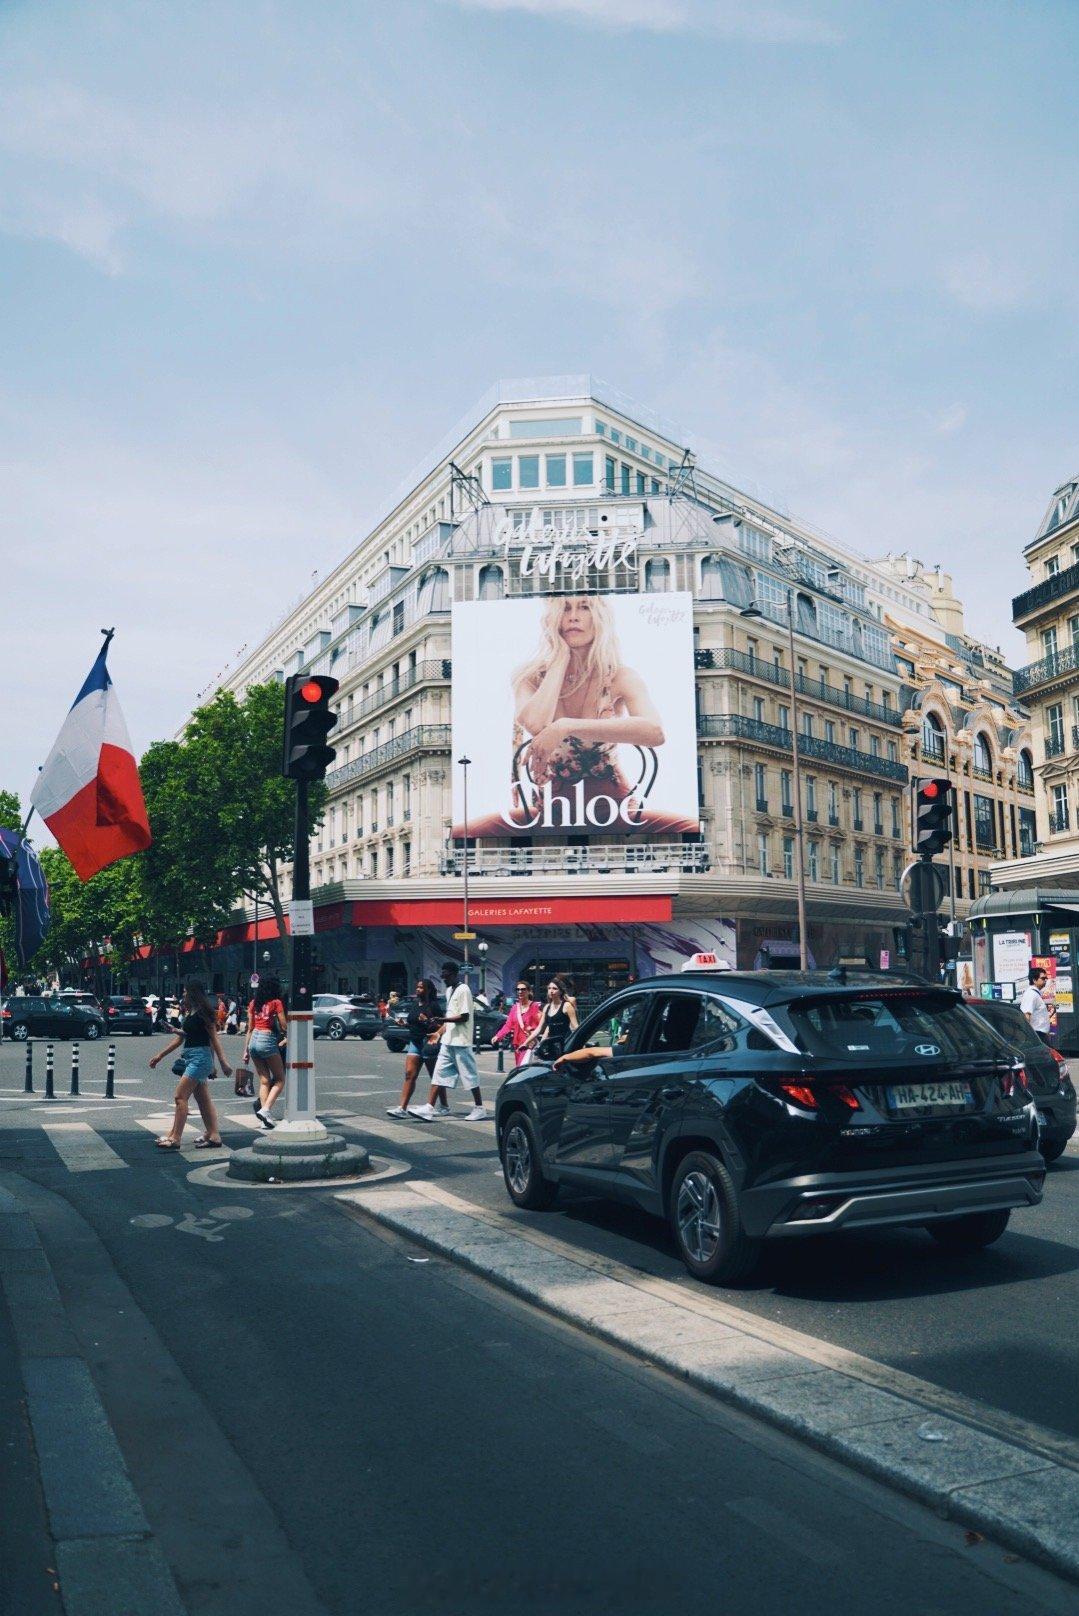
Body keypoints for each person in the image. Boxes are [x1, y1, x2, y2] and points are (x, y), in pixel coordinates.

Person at [464, 594, 696, 837]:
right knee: (467, 832)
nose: (573, 616)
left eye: (584, 607)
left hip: (612, 807)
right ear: (553, 619)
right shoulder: (529, 677)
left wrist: (564, 726)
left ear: (599, 619)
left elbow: (655, 732)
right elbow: (533, 723)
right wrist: (561, 658)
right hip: (549, 810)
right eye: (565, 609)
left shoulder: (619, 676)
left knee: (689, 828)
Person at [149, 979, 231, 1149]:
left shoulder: (203, 1013)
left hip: (199, 1059)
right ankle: (213, 1135)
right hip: (193, 1058)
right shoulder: (191, 1012)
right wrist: (160, 1055)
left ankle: (175, 1138)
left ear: (193, 993)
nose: (183, 994)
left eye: (186, 991)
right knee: (203, 1100)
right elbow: (183, 1037)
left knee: (180, 1097)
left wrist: (221, 1063)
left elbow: (213, 1039)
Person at [408, 961, 487, 1122]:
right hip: (448, 1040)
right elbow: (450, 1017)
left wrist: (442, 1019)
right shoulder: (450, 990)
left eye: (446, 975)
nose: (444, 978)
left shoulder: (463, 990)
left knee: (469, 1076)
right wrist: (439, 1032)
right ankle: (429, 1108)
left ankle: (480, 1107)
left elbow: (464, 1016)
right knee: (439, 1074)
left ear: (454, 974)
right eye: (442, 975)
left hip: (461, 1041)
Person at [386, 978, 448, 1119]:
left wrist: (427, 1021)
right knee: (409, 1074)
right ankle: (402, 1108)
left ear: (428, 990)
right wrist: (404, 1024)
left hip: (428, 1042)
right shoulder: (415, 1004)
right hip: (414, 1042)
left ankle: (444, 1106)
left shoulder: (433, 1006)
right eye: (417, 987)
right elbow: (413, 1023)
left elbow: (441, 1026)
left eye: (421, 987)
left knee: (435, 1077)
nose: (417, 989)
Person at [244, 974, 288, 1128]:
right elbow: (283, 1025)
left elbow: (249, 1028)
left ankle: (265, 1119)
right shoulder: (276, 1002)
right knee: (280, 1078)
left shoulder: (253, 1003)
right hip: (267, 1038)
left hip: (254, 1039)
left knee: (264, 1080)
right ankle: (266, 1110)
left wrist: (246, 1051)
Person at [523, 978, 579, 1060]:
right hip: (552, 1045)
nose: (551, 991)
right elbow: (540, 1028)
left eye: (554, 988)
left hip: (565, 1044)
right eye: (549, 988)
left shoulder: (566, 1006)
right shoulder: (547, 1007)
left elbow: (575, 1026)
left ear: (560, 991)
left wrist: (582, 1041)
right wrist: (526, 1042)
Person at [491, 980, 543, 1067]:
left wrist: (533, 1030)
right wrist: (498, 1036)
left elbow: (542, 1025)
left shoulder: (535, 1007)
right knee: (520, 1069)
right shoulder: (515, 1008)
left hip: (529, 1044)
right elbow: (508, 1025)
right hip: (517, 1045)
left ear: (529, 991)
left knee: (522, 1070)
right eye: (518, 989)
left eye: (523, 989)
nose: (520, 992)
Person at [1020, 965, 1052, 1045]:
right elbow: (1026, 1015)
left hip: (1040, 1035)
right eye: (1043, 978)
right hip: (1036, 1035)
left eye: (1046, 979)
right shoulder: (1031, 994)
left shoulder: (1035, 994)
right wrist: (1030, 1037)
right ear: (1034, 980)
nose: (1045, 981)